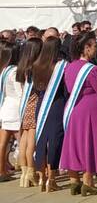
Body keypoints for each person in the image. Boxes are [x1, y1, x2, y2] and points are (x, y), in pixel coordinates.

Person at [60, 31, 97, 196]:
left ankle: (74, 181)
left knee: (74, 142)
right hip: (90, 108)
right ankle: (88, 182)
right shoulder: (94, 69)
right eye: (94, 46)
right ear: (86, 48)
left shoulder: (69, 67)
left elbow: (69, 88)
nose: (96, 49)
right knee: (90, 141)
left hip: (74, 107)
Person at [32, 38, 67, 192]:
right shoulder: (60, 66)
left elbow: (35, 87)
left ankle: (42, 177)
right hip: (57, 104)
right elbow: (66, 88)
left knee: (41, 140)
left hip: (41, 104)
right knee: (54, 140)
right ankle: (51, 179)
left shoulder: (36, 64)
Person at [16, 37, 43, 188]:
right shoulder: (35, 68)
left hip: (25, 104)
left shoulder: (22, 66)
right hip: (34, 103)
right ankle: (31, 171)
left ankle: (24, 173)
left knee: (24, 139)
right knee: (31, 140)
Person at [0, 41, 20, 182]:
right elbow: (20, 92)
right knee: (22, 141)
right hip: (15, 109)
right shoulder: (14, 71)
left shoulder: (3, 70)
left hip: (6, 106)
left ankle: (1, 170)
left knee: (3, 142)